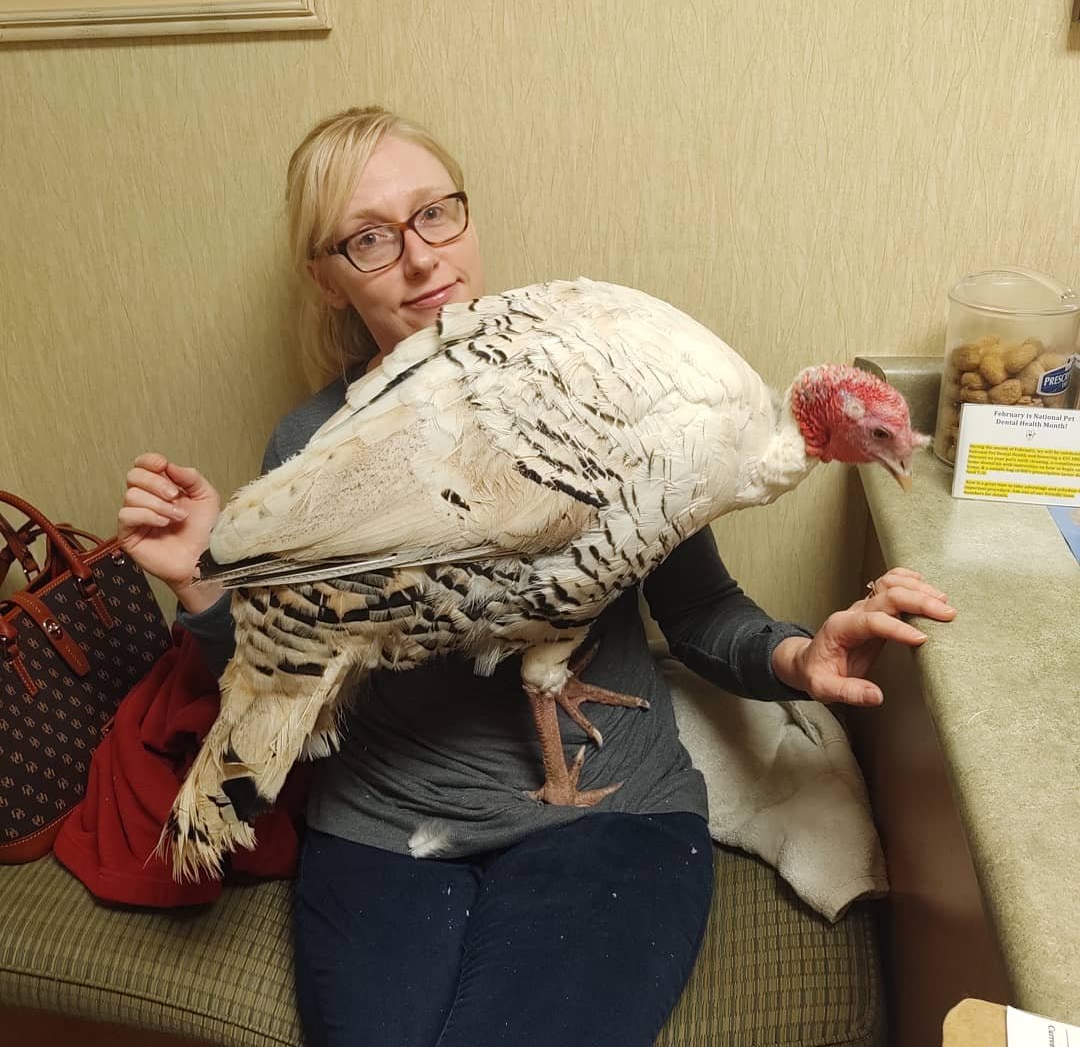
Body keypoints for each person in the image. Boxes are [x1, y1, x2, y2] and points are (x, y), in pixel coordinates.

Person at [117, 105, 956, 1047]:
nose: (422, 257)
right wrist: (202, 583)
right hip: (387, 824)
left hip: (611, 813)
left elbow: (700, 610)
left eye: (436, 213)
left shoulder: (612, 379)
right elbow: (292, 674)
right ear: (326, 276)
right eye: (370, 239)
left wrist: (800, 659)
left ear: (467, 217)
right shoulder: (314, 445)